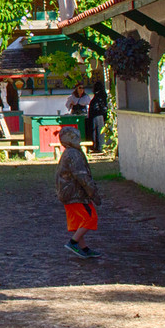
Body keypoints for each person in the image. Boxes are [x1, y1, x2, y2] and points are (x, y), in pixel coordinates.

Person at [55, 126, 101, 258]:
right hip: (75, 194)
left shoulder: (68, 153)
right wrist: (93, 193)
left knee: (77, 221)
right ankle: (73, 242)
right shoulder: (74, 154)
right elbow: (82, 176)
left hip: (66, 193)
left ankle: (84, 248)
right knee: (90, 218)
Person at [87, 80, 109, 151]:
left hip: (96, 115)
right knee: (100, 132)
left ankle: (97, 147)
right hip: (100, 115)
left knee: (96, 131)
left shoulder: (97, 96)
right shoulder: (103, 95)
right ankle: (100, 146)